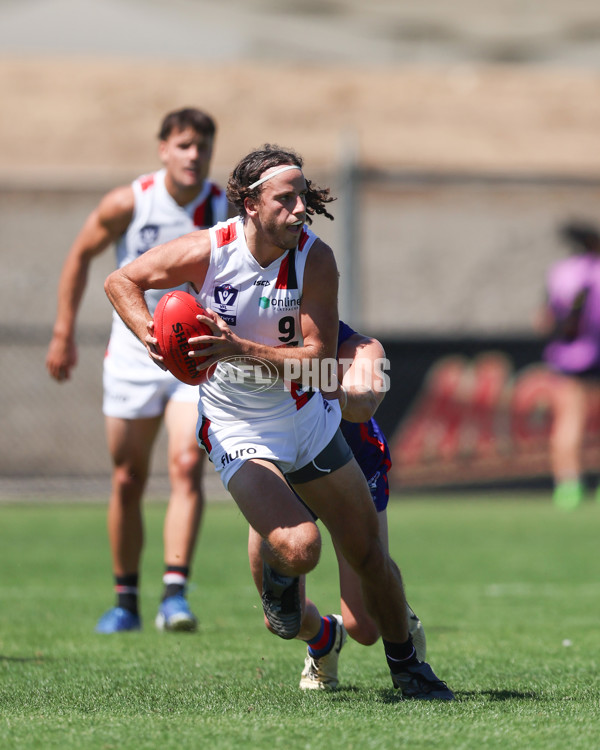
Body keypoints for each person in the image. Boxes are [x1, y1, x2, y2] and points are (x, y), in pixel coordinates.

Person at [104, 143, 454, 700]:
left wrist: (234, 346)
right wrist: (155, 339)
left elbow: (317, 359)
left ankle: (410, 666)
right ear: (248, 204)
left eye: (302, 199)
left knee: (368, 556)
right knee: (299, 550)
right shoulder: (208, 251)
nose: (299, 211)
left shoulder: (315, 259)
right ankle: (314, 626)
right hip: (237, 427)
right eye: (285, 200)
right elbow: (122, 281)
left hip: (307, 420)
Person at [46, 107, 230, 632]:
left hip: (192, 361)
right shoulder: (129, 202)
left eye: (204, 146)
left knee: (185, 466)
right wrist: (63, 331)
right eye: (185, 144)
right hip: (132, 357)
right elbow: (81, 256)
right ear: (163, 149)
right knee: (127, 477)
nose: (195, 155)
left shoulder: (224, 208)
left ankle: (175, 594)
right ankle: (124, 599)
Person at [247, 319, 427, 690]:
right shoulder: (258, 336)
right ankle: (324, 637)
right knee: (281, 618)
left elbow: (365, 404)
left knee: (365, 627)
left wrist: (334, 392)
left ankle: (396, 612)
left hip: (353, 466)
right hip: (285, 470)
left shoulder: (362, 348)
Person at [537, 220, 600, 510]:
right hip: (593, 352)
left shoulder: (561, 272)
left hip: (567, 356)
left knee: (569, 420)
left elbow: (544, 320)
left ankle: (568, 485)